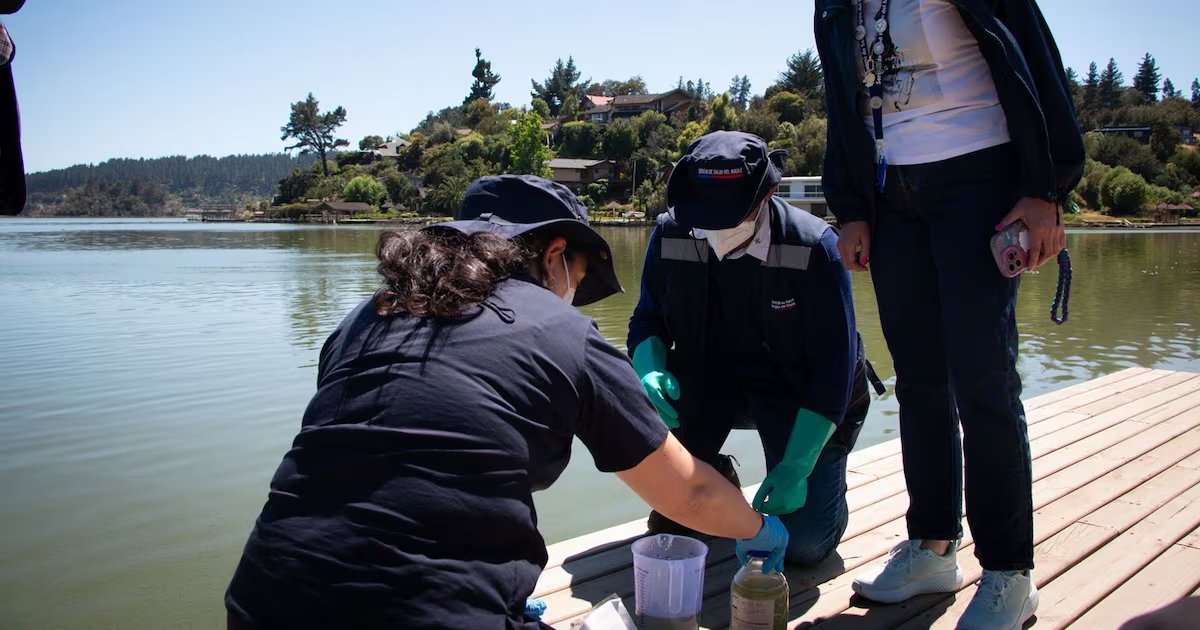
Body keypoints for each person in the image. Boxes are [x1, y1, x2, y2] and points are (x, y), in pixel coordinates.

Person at [224, 175, 789, 630]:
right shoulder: (561, 331)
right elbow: (689, 492)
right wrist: (759, 529)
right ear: (555, 256)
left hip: (259, 603)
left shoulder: (365, 318)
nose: (573, 292)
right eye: (580, 275)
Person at [813, 0, 1085, 628]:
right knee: (919, 382)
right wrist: (851, 205)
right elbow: (841, 100)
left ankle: (1009, 572)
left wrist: (1045, 189)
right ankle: (933, 546)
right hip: (890, 193)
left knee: (983, 381)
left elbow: (1037, 61)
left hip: (980, 179)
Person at [628, 131, 877, 567]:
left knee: (803, 546)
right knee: (674, 520)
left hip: (802, 395)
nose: (715, 230)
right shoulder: (670, 233)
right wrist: (648, 367)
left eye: (729, 216)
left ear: (767, 196)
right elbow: (647, 318)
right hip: (710, 382)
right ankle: (717, 471)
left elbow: (834, 370)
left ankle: (820, 475)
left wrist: (797, 466)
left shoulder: (814, 246)